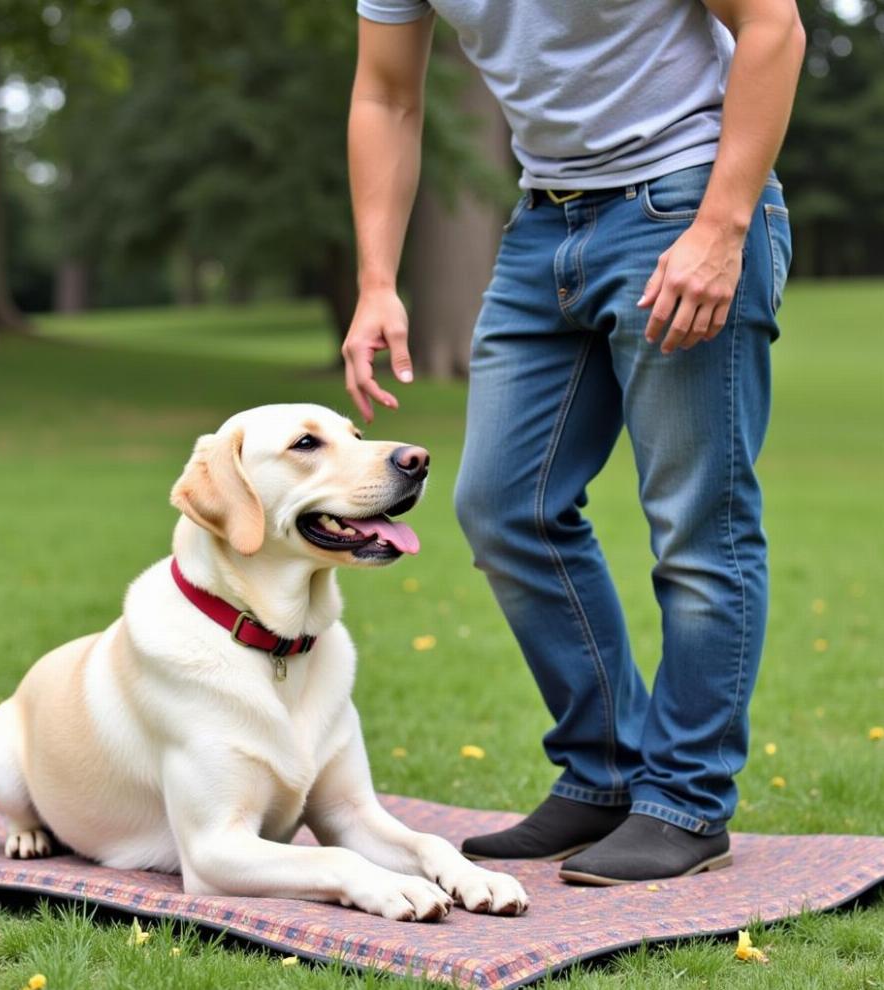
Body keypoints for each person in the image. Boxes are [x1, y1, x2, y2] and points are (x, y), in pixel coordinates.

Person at [341, 0, 805, 884]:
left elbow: (773, 25)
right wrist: (375, 280)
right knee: (501, 507)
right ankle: (603, 773)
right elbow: (386, 94)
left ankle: (686, 803)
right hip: (544, 225)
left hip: (686, 199)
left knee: (698, 524)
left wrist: (720, 227)